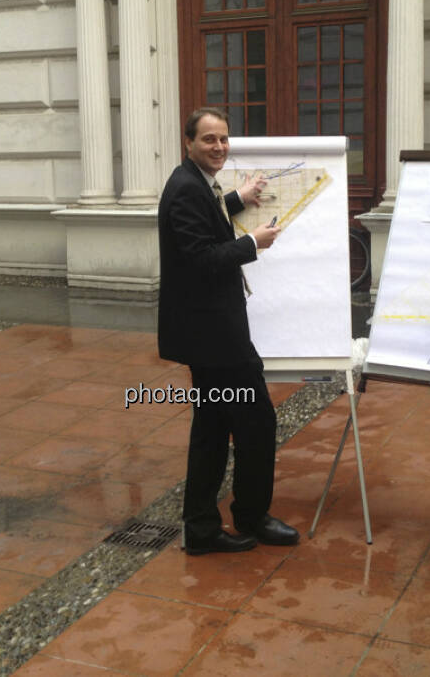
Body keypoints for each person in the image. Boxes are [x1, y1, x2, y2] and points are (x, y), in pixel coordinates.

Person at [158, 107, 299, 555]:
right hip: (215, 337)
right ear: (188, 143)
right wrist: (250, 243)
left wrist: (239, 196)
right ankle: (251, 516)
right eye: (208, 140)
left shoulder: (195, 184)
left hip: (208, 333)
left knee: (212, 432)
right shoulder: (183, 189)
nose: (218, 147)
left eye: (223, 139)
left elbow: (209, 215)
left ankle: (201, 529)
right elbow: (199, 258)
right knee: (256, 425)